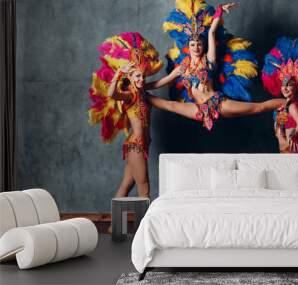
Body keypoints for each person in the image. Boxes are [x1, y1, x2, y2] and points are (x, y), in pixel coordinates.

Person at [144, 1, 285, 131]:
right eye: (193, 44)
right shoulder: (182, 68)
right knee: (170, 105)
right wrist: (142, 87)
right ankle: (137, 94)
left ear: (203, 45)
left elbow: (211, 32)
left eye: (199, 44)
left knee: (258, 108)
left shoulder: (209, 60)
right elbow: (160, 82)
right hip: (196, 108)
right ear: (188, 46)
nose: (196, 47)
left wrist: (219, 11)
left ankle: (288, 102)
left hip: (217, 103)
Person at [88, 32, 163, 199]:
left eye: (142, 76)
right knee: (144, 189)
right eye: (137, 76)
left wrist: (176, 74)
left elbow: (159, 83)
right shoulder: (129, 95)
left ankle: (113, 225)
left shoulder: (142, 93)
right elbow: (112, 93)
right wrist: (118, 74)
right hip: (136, 146)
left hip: (142, 145)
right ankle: (145, 225)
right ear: (129, 77)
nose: (141, 79)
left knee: (126, 185)